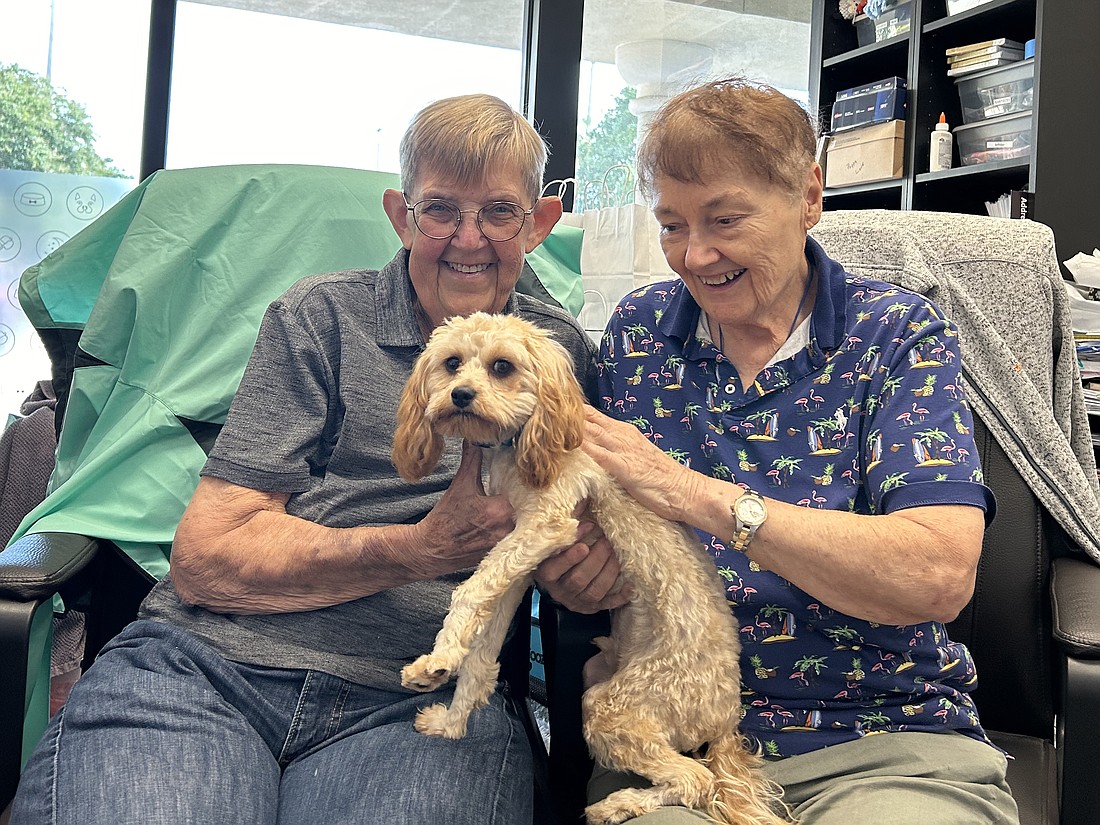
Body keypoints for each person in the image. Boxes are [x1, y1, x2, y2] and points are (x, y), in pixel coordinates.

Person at [10, 93, 615, 825]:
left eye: (498, 212)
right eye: (440, 210)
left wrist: (583, 573)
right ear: (400, 215)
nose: (468, 237)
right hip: (211, 666)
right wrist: (422, 547)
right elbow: (206, 557)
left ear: (540, 223)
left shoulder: (561, 356)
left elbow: (575, 534)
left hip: (421, 696)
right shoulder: (320, 317)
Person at [537, 77, 1020, 824]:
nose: (694, 257)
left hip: (882, 736)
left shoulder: (893, 335)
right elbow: (590, 538)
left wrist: (690, 490)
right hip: (680, 747)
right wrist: (577, 574)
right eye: (671, 225)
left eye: (725, 219)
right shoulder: (637, 336)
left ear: (808, 196)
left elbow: (937, 574)